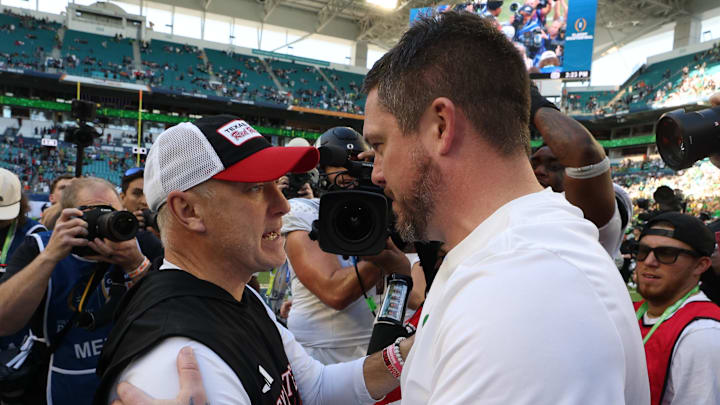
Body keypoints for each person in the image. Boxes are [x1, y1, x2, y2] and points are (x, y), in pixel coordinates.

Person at [361, 11, 648, 403]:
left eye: (380, 145)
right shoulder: (505, 259)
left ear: (441, 127)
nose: (376, 173)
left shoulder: (520, 290)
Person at [94, 116, 413, 405]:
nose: (283, 205)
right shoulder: (181, 362)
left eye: (276, 184)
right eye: (255, 188)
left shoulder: (236, 296)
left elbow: (315, 388)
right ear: (188, 211)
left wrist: (414, 351)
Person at [0, 177, 163, 405]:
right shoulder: (39, 247)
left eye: (112, 214)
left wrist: (137, 265)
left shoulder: (138, 244)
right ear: (66, 216)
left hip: (124, 378)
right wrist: (50, 257)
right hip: (54, 380)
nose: (105, 224)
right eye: (93, 216)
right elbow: (4, 321)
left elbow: (171, 312)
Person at [281, 127, 405, 364]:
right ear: (321, 170)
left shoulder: (371, 213)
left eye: (355, 164)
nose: (349, 174)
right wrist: (387, 258)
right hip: (319, 354)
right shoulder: (303, 210)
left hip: (367, 345)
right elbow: (335, 292)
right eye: (339, 164)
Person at [529, 84, 630, 258]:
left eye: (554, 166)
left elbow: (584, 151)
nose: (540, 171)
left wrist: (531, 98)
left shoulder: (595, 209)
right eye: (534, 165)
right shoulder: (526, 208)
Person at [632, 212, 720, 405]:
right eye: (642, 251)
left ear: (700, 265)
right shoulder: (629, 312)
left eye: (666, 254)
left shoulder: (703, 334)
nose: (649, 261)